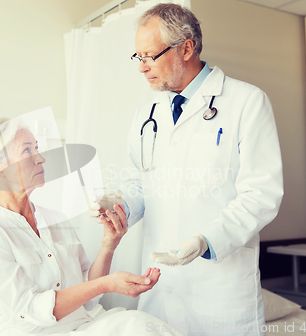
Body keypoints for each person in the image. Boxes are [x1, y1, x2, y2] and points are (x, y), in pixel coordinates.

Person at [120, 4, 283, 336]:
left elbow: (262, 193)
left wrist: (206, 240)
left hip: (219, 287)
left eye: (149, 56)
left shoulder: (247, 102)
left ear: (186, 48)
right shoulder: (145, 114)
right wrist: (118, 206)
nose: (142, 68)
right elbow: (139, 182)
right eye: (138, 57)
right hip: (159, 284)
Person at [0, 116, 182, 336]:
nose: (41, 158)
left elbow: (87, 293)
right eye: (27, 150)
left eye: (37, 148)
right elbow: (27, 314)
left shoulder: (54, 219)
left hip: (84, 324)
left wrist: (109, 245)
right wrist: (107, 284)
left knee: (147, 327)